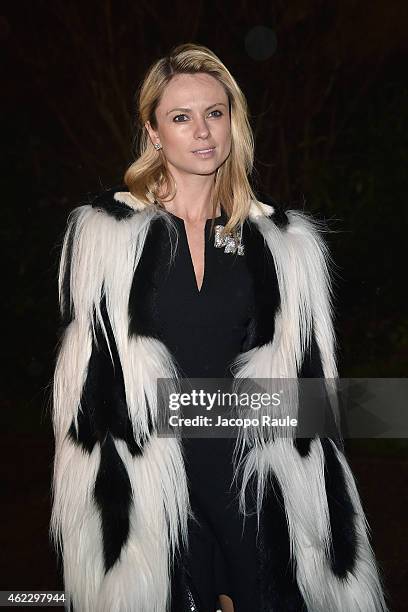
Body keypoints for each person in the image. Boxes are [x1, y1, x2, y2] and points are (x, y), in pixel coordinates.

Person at [50, 43, 388, 612]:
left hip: (256, 490)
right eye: (181, 117)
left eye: (215, 113)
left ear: (235, 123)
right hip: (151, 490)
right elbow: (91, 400)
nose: (202, 131)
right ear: (154, 133)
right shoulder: (104, 238)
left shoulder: (285, 245)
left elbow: (313, 405)